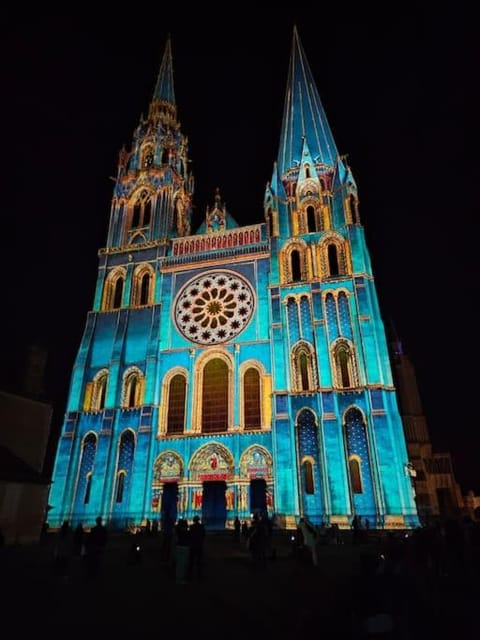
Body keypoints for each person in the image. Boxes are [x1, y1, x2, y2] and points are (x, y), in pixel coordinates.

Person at [186, 515, 205, 581]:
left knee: (191, 561)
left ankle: (189, 575)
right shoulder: (202, 527)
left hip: (192, 546)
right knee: (199, 562)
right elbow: (203, 536)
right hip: (199, 546)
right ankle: (199, 576)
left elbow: (189, 536)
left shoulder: (191, 527)